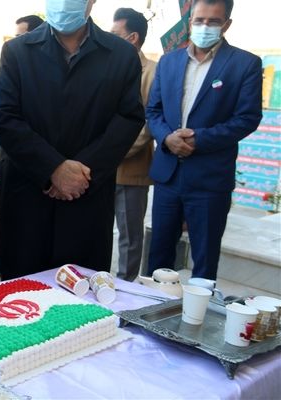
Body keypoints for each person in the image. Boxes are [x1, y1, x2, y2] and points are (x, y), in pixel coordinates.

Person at [0, 0, 144, 280]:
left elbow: (128, 119)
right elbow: (3, 116)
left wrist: (82, 171)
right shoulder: (17, 51)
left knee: (81, 307)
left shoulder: (121, 54)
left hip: (86, 203)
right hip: (27, 204)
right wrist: (53, 168)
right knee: (19, 305)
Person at [146, 0, 262, 280]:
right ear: (190, 21)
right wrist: (166, 138)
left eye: (213, 21)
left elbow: (246, 118)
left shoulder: (244, 64)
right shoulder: (169, 61)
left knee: (204, 260)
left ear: (226, 25)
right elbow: (153, 110)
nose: (204, 26)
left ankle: (198, 317)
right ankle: (148, 315)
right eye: (199, 20)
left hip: (210, 180)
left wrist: (199, 139)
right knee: (159, 258)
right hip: (168, 176)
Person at [0, 13, 44, 282]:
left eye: (21, 35)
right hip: (9, 156)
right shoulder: (12, 61)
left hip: (38, 163)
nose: (16, 40)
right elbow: (0, 112)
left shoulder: (45, 71)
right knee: (2, 214)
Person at [110, 8, 157, 282]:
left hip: (132, 169)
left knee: (130, 236)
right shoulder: (107, 67)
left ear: (133, 37)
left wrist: (112, 152)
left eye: (115, 34)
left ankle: (126, 289)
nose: (109, 39)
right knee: (97, 231)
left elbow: (148, 123)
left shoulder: (152, 72)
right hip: (100, 168)